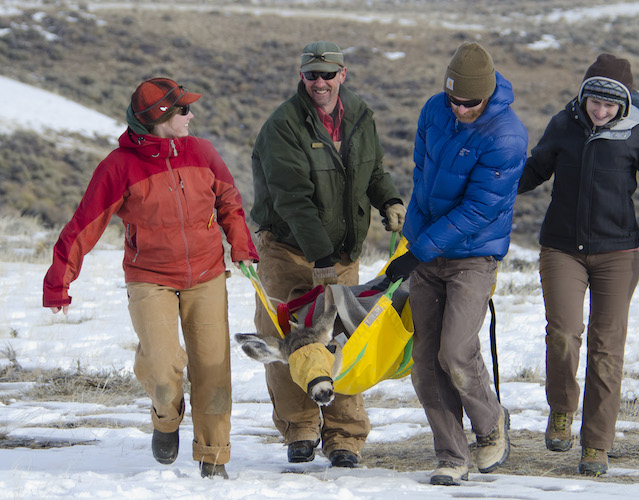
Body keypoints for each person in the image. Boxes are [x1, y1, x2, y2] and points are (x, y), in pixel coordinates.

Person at [42, 77, 258, 479]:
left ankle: (212, 460)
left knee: (213, 370)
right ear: (161, 118)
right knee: (163, 366)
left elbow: (229, 200)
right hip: (150, 277)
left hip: (208, 274)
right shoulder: (118, 167)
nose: (191, 115)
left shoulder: (202, 152)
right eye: (183, 110)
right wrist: (59, 281)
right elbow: (83, 225)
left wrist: (241, 246)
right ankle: (165, 416)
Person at [517, 53, 639, 476]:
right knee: (563, 334)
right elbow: (534, 171)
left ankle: (597, 444)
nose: (600, 111)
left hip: (618, 254)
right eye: (593, 102)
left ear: (624, 101)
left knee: (606, 351)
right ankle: (562, 410)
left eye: (609, 104)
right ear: (583, 96)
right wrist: (490, 186)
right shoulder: (563, 125)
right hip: (562, 249)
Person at [250, 41, 405, 468]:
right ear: (302, 77)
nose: (320, 82)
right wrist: (320, 259)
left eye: (327, 74)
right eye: (311, 75)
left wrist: (388, 199)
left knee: (342, 340)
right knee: (288, 341)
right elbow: (292, 199)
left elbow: (372, 170)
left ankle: (345, 436)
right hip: (288, 251)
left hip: (340, 255)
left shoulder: (360, 116)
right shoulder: (283, 125)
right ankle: (300, 427)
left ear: (343, 74)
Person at [385, 42, 528, 486]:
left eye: (470, 102)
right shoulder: (434, 110)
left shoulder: (506, 135)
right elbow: (422, 173)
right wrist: (410, 241)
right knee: (426, 361)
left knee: (455, 352)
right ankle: (451, 454)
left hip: (474, 255)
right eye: (454, 100)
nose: (460, 108)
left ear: (487, 96)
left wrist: (419, 249)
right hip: (426, 248)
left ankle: (490, 426)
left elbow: (478, 210)